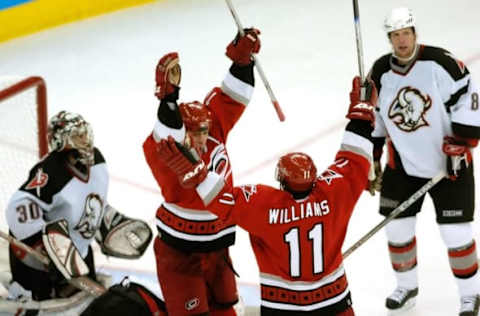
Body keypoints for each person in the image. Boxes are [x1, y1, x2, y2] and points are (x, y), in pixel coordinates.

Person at [155, 75, 377, 315]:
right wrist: (362, 117)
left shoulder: (263, 204)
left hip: (283, 306)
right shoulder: (335, 191)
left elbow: (223, 202)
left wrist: (199, 176)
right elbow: (354, 158)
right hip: (334, 302)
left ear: (282, 180)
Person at [367, 7, 480, 316]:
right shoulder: (379, 71)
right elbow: (374, 119)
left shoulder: (440, 63)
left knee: (456, 234)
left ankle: (471, 295)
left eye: (406, 33)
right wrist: (372, 160)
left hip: (449, 167)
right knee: (397, 231)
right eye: (395, 35)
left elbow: (471, 98)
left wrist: (463, 143)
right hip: (402, 167)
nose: (402, 40)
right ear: (389, 38)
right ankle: (406, 286)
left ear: (415, 33)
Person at [142, 28, 261, 315]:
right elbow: (167, 127)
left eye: (203, 131)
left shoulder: (212, 126)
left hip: (217, 246)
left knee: (225, 310)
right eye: (193, 132)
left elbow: (231, 99)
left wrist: (242, 63)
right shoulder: (163, 149)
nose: (200, 138)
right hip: (180, 252)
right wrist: (168, 98)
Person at [5, 110, 152, 315]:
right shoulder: (50, 172)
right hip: (41, 263)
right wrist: (46, 249)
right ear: (60, 142)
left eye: (85, 133)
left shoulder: (98, 161)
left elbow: (93, 201)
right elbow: (18, 208)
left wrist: (104, 221)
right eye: (77, 136)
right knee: (36, 310)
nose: (85, 140)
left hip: (78, 254)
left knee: (90, 309)